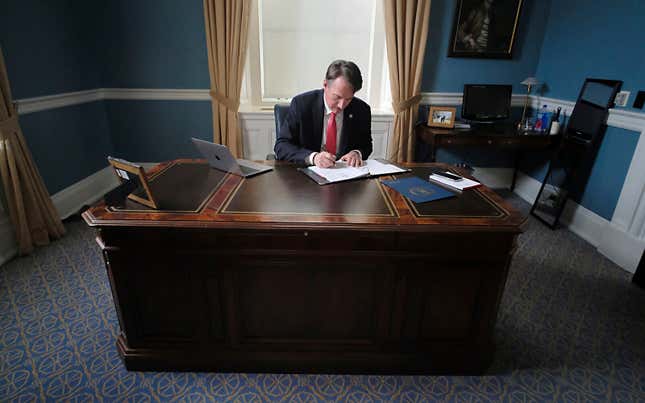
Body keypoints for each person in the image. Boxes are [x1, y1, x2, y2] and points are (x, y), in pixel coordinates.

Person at [274, 60, 372, 168]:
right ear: (325, 84)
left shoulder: (362, 109)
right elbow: (281, 145)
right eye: (337, 97)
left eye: (348, 99)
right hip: (306, 175)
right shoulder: (301, 104)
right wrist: (314, 157)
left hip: (345, 176)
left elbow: (366, 145)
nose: (342, 105)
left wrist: (356, 153)